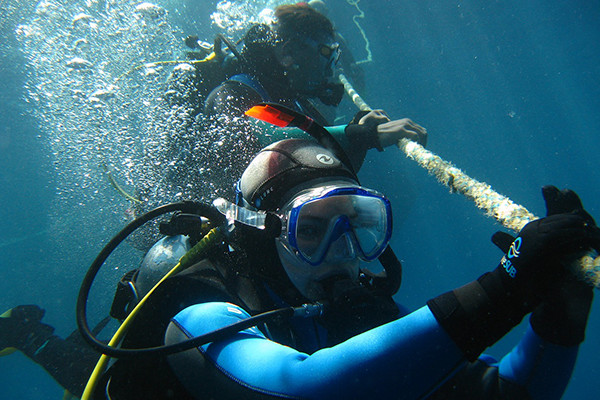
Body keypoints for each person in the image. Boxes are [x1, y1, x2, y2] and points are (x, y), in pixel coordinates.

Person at [1, 138, 597, 399]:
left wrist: (558, 311)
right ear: (263, 236)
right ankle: (29, 334)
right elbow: (304, 388)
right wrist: (507, 285)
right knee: (86, 371)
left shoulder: (351, 313)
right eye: (310, 229)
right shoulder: (199, 307)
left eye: (358, 225)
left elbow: (503, 393)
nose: (341, 250)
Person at [137, 3, 427, 228]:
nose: (332, 69)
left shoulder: (296, 106)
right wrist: (356, 134)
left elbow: (325, 162)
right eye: (327, 55)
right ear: (288, 53)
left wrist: (353, 133)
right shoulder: (235, 91)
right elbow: (256, 133)